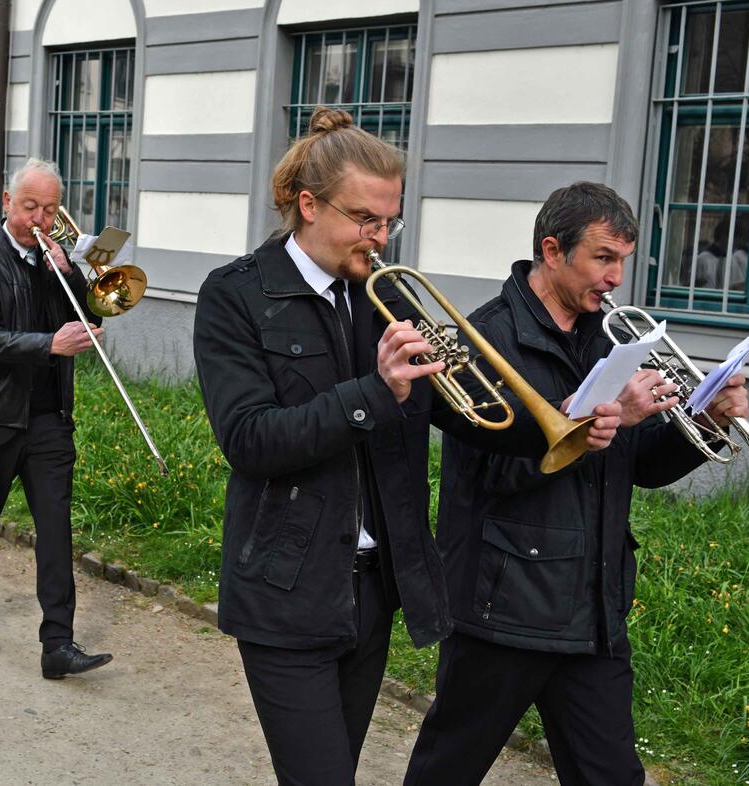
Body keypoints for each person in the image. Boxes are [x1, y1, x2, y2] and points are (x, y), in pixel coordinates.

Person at [191, 109, 621, 786]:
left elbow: (470, 411)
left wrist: (559, 423)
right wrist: (374, 388)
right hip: (286, 585)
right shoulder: (236, 296)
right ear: (308, 205)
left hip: (372, 589)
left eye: (389, 220)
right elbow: (250, 440)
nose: (381, 236)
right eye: (365, 219)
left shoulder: (386, 298)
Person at [404, 182, 749, 786]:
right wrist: (592, 423)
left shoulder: (609, 337)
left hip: (592, 612)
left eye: (623, 261)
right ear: (552, 250)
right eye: (603, 258)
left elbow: (640, 466)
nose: (616, 278)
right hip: (503, 609)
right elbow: (488, 473)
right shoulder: (485, 340)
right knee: (447, 770)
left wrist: (704, 422)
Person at [0, 157, 113, 679]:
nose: (39, 220)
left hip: (48, 418)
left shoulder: (55, 262)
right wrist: (51, 343)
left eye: (48, 209)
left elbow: (90, 315)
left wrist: (75, 278)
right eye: (29, 207)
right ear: (6, 203)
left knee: (55, 528)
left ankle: (57, 643)